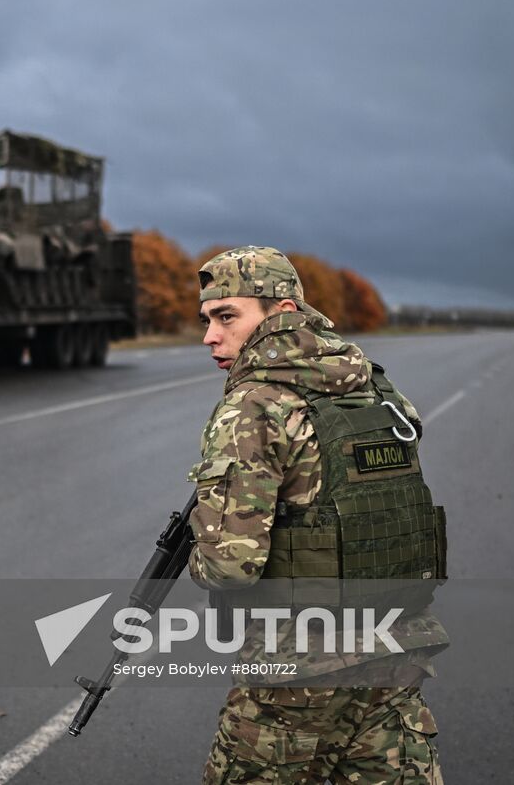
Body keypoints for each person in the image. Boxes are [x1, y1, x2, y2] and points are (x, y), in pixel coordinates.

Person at [187, 246, 445, 784]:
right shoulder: (376, 386)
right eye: (207, 319)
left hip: (296, 673)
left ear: (280, 312)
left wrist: (201, 550)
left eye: (227, 316)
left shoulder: (255, 406)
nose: (210, 336)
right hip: (397, 653)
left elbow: (230, 568)